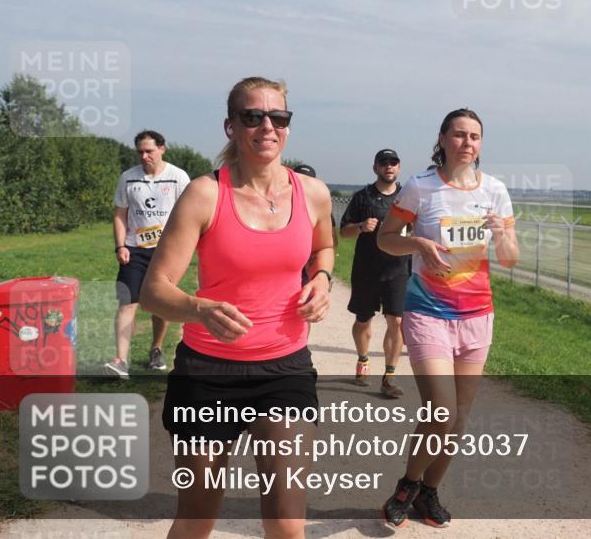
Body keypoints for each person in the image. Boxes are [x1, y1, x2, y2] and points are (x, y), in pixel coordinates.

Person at [139, 77, 334, 539]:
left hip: (285, 369)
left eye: (278, 117)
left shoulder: (313, 192)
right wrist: (200, 308)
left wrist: (322, 279)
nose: (267, 126)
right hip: (208, 374)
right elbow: (153, 290)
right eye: (253, 117)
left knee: (288, 523)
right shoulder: (205, 194)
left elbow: (324, 249)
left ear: (287, 126)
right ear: (231, 127)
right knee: (197, 518)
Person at [376, 109, 518, 529]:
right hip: (428, 313)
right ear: (442, 139)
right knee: (442, 410)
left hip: (477, 316)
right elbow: (386, 241)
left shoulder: (495, 191)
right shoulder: (419, 188)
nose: (467, 143)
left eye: (475, 136)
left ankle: (430, 492)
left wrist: (503, 234)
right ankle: (407, 484)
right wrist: (418, 243)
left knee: (460, 415)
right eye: (459, 134)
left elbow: (510, 260)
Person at [107, 130, 191, 377]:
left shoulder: (178, 177)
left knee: (160, 305)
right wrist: (120, 245)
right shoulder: (128, 178)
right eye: (140, 152)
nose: (145, 156)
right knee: (127, 303)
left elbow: (189, 214)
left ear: (162, 149)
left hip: (166, 251)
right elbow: (119, 214)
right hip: (134, 249)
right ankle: (121, 360)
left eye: (149, 151)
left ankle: (156, 349)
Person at [339, 149, 412, 398]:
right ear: (375, 168)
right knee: (363, 320)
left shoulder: (409, 198)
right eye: (384, 163)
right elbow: (344, 232)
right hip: (367, 269)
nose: (389, 167)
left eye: (393, 163)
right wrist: (360, 226)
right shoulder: (363, 197)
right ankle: (363, 359)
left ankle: (389, 376)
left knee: (397, 322)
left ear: (399, 168)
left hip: (399, 270)